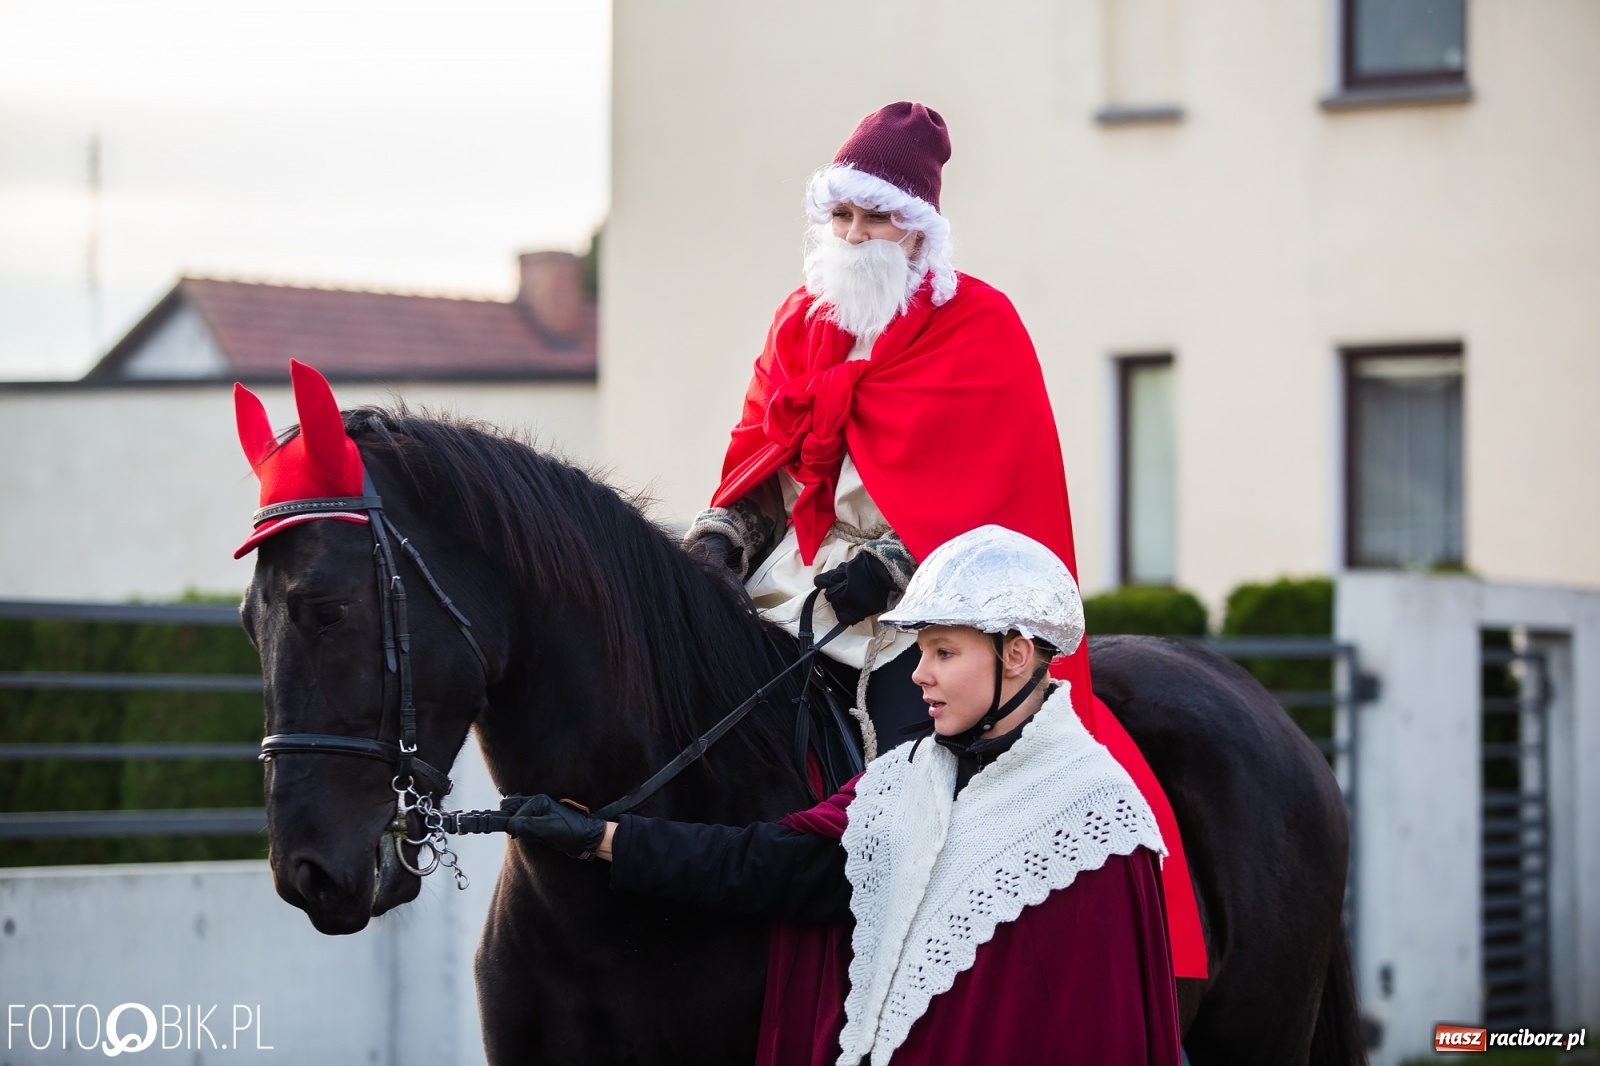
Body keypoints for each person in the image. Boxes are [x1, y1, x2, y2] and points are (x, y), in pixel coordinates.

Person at [682, 101, 1208, 982]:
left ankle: (956, 965)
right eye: (841, 215)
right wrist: (715, 545)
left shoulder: (980, 326)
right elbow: (760, 460)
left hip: (929, 604)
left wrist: (890, 569)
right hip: (794, 588)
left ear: (918, 228)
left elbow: (995, 509)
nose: (854, 235)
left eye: (877, 215)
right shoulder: (797, 320)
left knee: (931, 753)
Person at [502, 526, 1182, 1066]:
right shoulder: (906, 776)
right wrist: (603, 840)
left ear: (1015, 656)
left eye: (944, 653)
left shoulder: (1094, 815)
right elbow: (773, 865)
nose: (919, 675)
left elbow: (1099, 1034)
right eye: (921, 652)